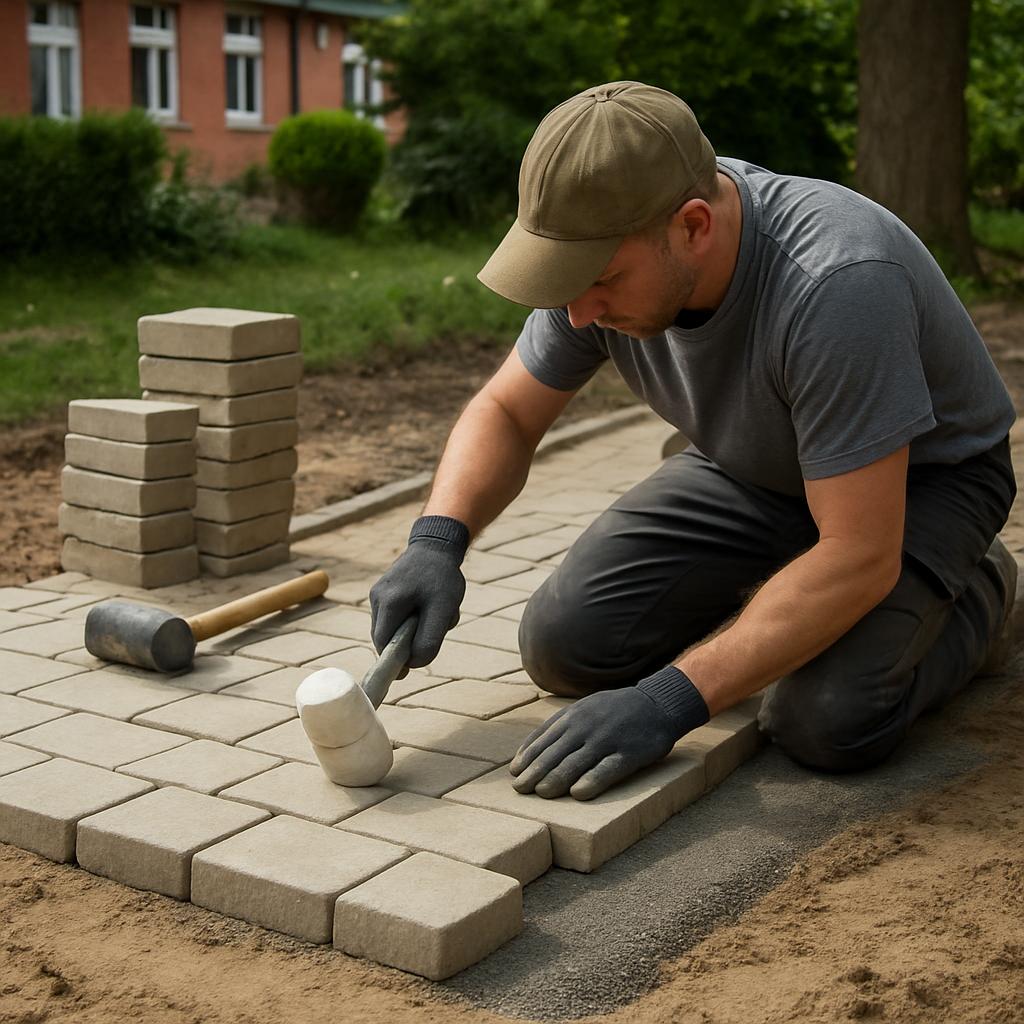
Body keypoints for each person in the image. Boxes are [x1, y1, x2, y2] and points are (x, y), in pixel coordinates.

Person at [369, 81, 1018, 802]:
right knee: (565, 647)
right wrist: (436, 540)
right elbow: (507, 411)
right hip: (755, 464)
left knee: (825, 720)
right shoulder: (602, 255)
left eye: (603, 280)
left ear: (694, 226)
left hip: (923, 484)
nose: (579, 313)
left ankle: (977, 589)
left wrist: (668, 701)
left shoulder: (837, 282)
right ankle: (790, 597)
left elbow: (860, 554)